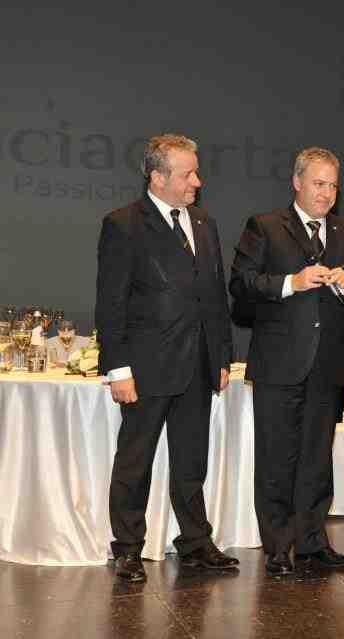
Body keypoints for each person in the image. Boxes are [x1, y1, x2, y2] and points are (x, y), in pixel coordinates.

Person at [96, 133, 237, 583]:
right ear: (157, 177)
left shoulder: (204, 223)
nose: (198, 181)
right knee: (135, 461)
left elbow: (214, 297)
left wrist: (221, 356)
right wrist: (118, 368)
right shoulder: (124, 224)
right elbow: (111, 304)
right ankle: (127, 548)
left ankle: (195, 541)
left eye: (196, 172)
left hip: (198, 364)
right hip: (146, 367)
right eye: (188, 174)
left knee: (192, 461)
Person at [229, 147, 344, 578]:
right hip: (278, 363)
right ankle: (277, 545)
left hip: (326, 364)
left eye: (333, 186)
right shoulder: (265, 226)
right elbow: (241, 285)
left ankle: (312, 542)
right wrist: (292, 282)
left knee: (316, 460)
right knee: (276, 459)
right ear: (297, 183)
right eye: (318, 184)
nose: (326, 193)